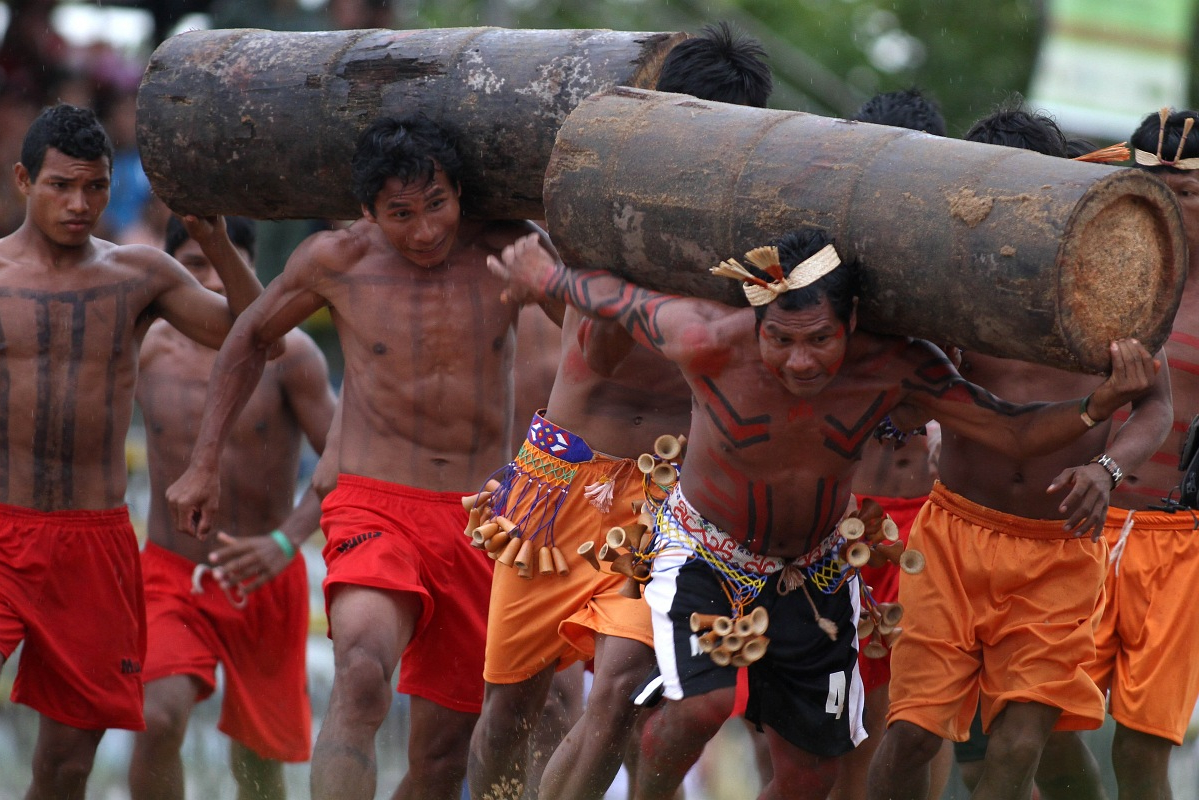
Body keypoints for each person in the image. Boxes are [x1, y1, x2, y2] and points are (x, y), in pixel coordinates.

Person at [486, 223, 1158, 800]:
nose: (800, 361)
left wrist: (1097, 408)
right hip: (703, 551)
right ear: (756, 323)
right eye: (781, 340)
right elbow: (617, 300)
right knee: (697, 706)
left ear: (853, 323)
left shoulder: (894, 369)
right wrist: (548, 275)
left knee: (816, 772)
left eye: (818, 340)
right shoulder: (706, 342)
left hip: (815, 570)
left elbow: (1009, 429)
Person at [166, 114, 545, 800]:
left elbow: (593, 323)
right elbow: (249, 338)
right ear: (368, 211)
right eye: (401, 213)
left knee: (441, 758)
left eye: (437, 205)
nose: (425, 229)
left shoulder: (509, 248)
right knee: (363, 670)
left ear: (461, 191)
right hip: (376, 503)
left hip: (481, 518)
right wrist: (203, 461)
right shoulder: (335, 260)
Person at [467, 21, 773, 800]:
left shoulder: (767, 239)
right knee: (511, 705)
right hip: (564, 479)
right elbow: (599, 353)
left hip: (676, 498)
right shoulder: (602, 202)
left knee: (626, 691)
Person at [866, 106, 1170, 800]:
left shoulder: (1118, 285)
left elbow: (1156, 405)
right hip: (951, 537)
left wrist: (1108, 468)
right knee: (912, 732)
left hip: (1060, 549)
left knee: (1025, 741)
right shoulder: (944, 279)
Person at [0, 103, 263, 799]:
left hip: (94, 543)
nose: (79, 204)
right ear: (24, 180)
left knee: (65, 765)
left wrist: (216, 241)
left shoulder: (137, 274)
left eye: (95, 188)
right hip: (2, 528)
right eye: (60, 186)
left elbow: (249, 330)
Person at [128, 216, 337, 800]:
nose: (215, 283)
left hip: (264, 576)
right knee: (157, 717)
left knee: (260, 762)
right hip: (171, 574)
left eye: (228, 265)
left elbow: (348, 461)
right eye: (195, 266)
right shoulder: (145, 351)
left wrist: (287, 541)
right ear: (171, 275)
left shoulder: (292, 357)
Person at [1078, 107, 1199, 800]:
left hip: (1180, 540)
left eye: (1185, 192)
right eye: (1151, 187)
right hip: (1083, 523)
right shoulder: (1092, 276)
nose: (1169, 207)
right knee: (1039, 724)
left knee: (1143, 746)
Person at [835, 87, 953, 800]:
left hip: (934, 518)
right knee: (843, 715)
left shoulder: (963, 262)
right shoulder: (824, 264)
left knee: (919, 710)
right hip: (841, 515)